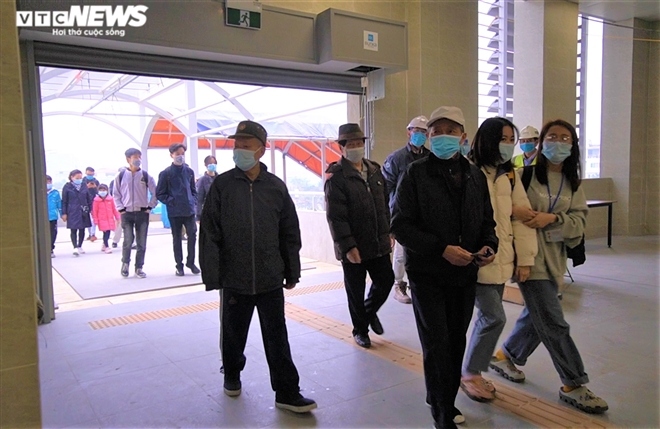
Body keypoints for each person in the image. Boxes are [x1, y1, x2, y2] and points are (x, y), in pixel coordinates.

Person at [490, 119, 608, 414]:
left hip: (556, 260)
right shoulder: (525, 175)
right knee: (554, 323)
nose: (558, 142)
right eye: (552, 137)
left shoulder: (573, 183)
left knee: (538, 315)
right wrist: (522, 248)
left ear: (573, 145)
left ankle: (505, 356)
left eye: (564, 138)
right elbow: (509, 214)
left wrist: (552, 220)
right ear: (541, 143)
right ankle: (574, 383)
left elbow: (579, 224)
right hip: (530, 261)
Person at [390, 106, 498, 428]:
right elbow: (400, 225)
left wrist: (489, 246)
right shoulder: (415, 174)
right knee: (437, 342)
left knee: (455, 341)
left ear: (463, 136)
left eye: (451, 131)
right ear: (428, 137)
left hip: (464, 274)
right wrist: (441, 249)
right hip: (427, 275)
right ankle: (442, 412)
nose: (443, 137)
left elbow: (487, 222)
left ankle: (441, 397)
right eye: (437, 131)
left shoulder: (475, 176)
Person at [199, 120, 317, 413]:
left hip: (269, 277)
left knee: (277, 336)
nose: (239, 150)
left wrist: (292, 270)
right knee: (232, 332)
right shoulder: (222, 185)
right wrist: (213, 275)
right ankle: (232, 373)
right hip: (234, 277)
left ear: (261, 150)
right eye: (237, 144)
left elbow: (290, 233)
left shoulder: (276, 187)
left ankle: (287, 392)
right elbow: (209, 233)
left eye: (246, 145)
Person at [459, 117, 538, 402]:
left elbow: (522, 218)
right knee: (493, 316)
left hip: (502, 258)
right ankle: (470, 373)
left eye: (510, 140)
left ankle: (472, 371)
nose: (507, 145)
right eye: (502, 139)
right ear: (487, 139)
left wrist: (525, 258)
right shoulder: (467, 170)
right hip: (475, 259)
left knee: (488, 317)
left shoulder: (509, 175)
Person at [324, 123, 394, 349]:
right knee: (355, 290)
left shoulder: (375, 170)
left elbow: (385, 205)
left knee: (386, 280)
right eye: (350, 144)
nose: (355, 147)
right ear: (342, 147)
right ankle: (360, 330)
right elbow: (336, 217)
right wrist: (347, 247)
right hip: (354, 246)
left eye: (359, 143)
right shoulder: (337, 177)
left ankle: (368, 312)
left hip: (378, 242)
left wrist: (389, 231)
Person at [382, 115, 429, 304]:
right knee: (401, 254)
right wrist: (390, 220)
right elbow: (386, 190)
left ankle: (417, 285)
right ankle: (398, 284)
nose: (419, 135)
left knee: (423, 251)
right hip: (403, 213)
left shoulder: (429, 158)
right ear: (408, 132)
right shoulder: (396, 158)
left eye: (423, 132)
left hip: (424, 214)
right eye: (416, 131)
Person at [156, 143, 200, 276]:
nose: (180, 156)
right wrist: (171, 201)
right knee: (177, 238)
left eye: (182, 153)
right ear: (171, 155)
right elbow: (160, 193)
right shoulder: (166, 173)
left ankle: (191, 262)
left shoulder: (189, 172)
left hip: (189, 210)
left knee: (192, 235)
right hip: (174, 212)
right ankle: (179, 265)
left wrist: (193, 200)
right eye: (177, 154)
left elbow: (193, 190)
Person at [113, 148, 157, 279]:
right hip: (126, 213)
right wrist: (121, 208)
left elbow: (155, 192)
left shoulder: (145, 175)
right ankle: (125, 264)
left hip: (142, 213)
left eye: (139, 157)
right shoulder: (120, 176)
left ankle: (139, 267)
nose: (138, 159)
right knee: (127, 240)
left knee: (141, 242)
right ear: (128, 159)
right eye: (135, 157)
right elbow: (115, 194)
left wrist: (150, 206)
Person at [61, 169, 94, 257]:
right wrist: (64, 213)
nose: (79, 179)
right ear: (72, 177)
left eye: (80, 177)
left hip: (83, 210)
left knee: (82, 229)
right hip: (72, 211)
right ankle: (75, 246)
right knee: (73, 229)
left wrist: (90, 209)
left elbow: (88, 198)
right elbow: (64, 201)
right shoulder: (67, 187)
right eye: (77, 177)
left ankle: (80, 245)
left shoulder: (83, 186)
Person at [92, 184, 120, 254]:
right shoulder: (96, 201)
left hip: (110, 219)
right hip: (102, 220)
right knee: (106, 233)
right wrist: (95, 220)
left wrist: (117, 217)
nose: (102, 192)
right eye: (100, 190)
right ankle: (107, 246)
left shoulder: (110, 199)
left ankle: (104, 244)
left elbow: (114, 209)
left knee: (108, 233)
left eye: (104, 190)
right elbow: (94, 211)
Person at [196, 155, 218, 222]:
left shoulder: (220, 179)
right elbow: (199, 199)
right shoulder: (202, 180)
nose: (212, 165)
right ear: (206, 165)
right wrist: (198, 216)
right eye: (210, 163)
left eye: (214, 163)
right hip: (207, 212)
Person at [82, 167, 100, 242]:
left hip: (94, 201)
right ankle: (90, 234)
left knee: (93, 219)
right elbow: (81, 191)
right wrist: (87, 187)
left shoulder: (96, 181)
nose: (90, 175)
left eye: (91, 174)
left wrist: (95, 187)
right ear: (86, 173)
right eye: (89, 174)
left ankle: (93, 234)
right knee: (87, 219)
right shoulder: (82, 181)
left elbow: (100, 191)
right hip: (85, 202)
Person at [46, 175, 62, 258]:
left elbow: (59, 205)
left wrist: (62, 214)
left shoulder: (55, 192)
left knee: (53, 233)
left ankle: (51, 249)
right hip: (43, 218)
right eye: (46, 182)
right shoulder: (38, 192)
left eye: (49, 182)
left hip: (53, 217)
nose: (48, 184)